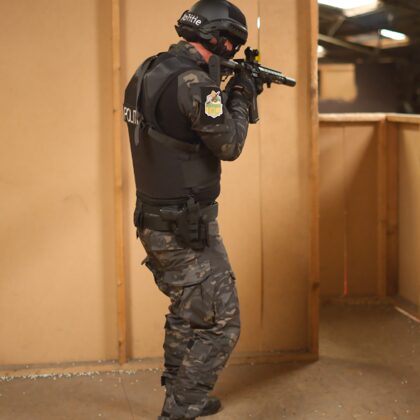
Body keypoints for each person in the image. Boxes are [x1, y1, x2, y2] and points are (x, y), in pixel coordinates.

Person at [123, 1, 260, 418]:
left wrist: (224, 87)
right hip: (185, 228)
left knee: (188, 311)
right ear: (221, 40)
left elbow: (177, 127)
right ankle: (181, 408)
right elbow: (230, 144)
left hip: (155, 219)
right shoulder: (195, 83)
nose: (233, 51)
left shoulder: (149, 69)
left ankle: (181, 395)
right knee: (221, 324)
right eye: (232, 44)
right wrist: (240, 95)